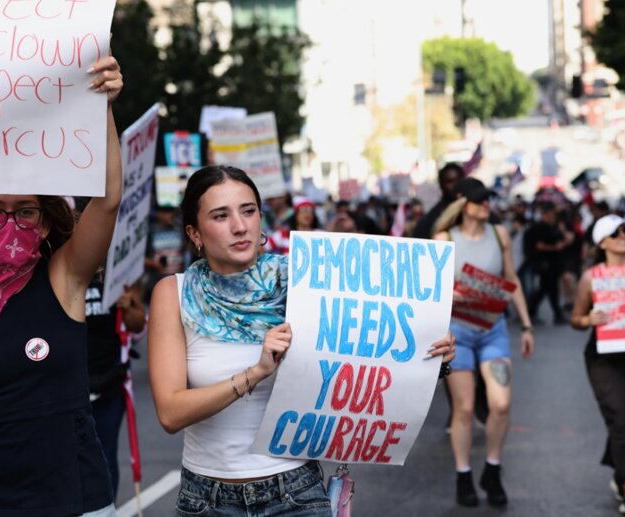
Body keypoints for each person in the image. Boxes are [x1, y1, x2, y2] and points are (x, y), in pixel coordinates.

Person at [148, 165, 456, 515]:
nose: (239, 226)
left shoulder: (307, 280)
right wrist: (254, 373)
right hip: (206, 500)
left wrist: (430, 352)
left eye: (249, 211)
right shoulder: (173, 294)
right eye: (221, 215)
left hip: (294, 495)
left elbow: (373, 355)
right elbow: (170, 413)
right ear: (194, 232)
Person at [0, 55, 123, 517]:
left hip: (79, 502)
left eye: (26, 212)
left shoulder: (64, 280)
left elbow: (109, 201)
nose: (10, 224)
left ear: (47, 223)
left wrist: (104, 108)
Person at [433, 177, 535, 508]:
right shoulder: (444, 238)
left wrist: (527, 324)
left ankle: (492, 467)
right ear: (463, 203)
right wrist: (455, 294)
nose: (486, 204)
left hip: (493, 329)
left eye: (488, 199)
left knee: (501, 404)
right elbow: (431, 290)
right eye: (479, 199)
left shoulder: (498, 233)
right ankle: (463, 474)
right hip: (458, 332)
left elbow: (511, 279)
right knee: (463, 408)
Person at [570, 214, 625, 515]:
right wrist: (588, 319)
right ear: (602, 241)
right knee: (620, 417)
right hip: (605, 358)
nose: (623, 235)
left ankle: (619, 461)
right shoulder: (592, 277)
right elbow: (575, 319)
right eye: (616, 232)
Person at [85, 276, 146, 497]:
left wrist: (129, 304)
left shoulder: (118, 273)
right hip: (70, 386)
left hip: (110, 384)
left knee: (105, 454)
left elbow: (138, 327)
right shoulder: (62, 265)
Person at [524, 202, 569, 324]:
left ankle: (533, 312)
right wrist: (555, 247)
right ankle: (553, 314)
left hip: (552, 264)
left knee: (547, 290)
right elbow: (539, 246)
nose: (553, 216)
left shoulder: (552, 227)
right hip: (544, 264)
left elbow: (566, 239)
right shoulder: (540, 227)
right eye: (551, 214)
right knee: (548, 290)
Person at [413, 162, 466, 239]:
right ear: (441, 184)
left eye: (458, 180)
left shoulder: (474, 213)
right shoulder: (428, 221)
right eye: (450, 181)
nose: (455, 185)